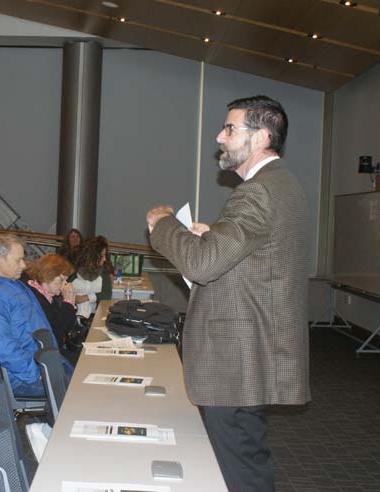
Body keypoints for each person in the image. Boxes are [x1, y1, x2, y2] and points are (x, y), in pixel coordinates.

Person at [146, 95, 309, 492]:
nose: (220, 136)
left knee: (239, 469)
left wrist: (164, 225)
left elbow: (203, 265)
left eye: (231, 128)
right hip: (248, 351)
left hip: (236, 357)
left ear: (261, 137)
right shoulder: (279, 185)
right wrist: (212, 236)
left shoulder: (258, 192)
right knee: (243, 458)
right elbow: (251, 258)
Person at [0, 234, 64, 397]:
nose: (24, 265)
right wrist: (36, 374)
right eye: (18, 260)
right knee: (83, 395)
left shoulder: (13, 285)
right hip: (25, 378)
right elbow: (2, 347)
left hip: (43, 365)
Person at [23, 253, 78, 362]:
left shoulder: (47, 296)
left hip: (50, 352)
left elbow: (66, 328)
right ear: (49, 275)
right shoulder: (36, 298)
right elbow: (56, 336)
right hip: (41, 356)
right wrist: (68, 303)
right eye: (61, 280)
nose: (64, 284)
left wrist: (70, 302)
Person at [71, 236, 105, 318]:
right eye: (102, 256)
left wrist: (86, 297)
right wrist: (73, 298)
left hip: (95, 314)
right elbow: (62, 292)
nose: (105, 259)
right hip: (73, 314)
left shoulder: (104, 272)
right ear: (92, 256)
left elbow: (106, 294)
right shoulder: (73, 271)